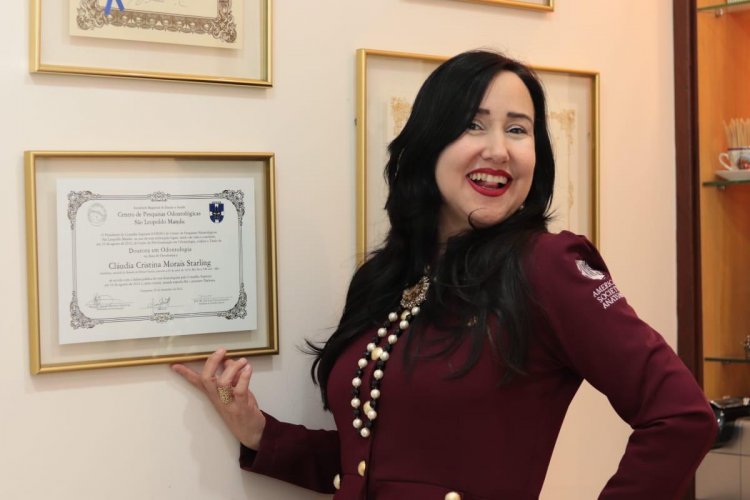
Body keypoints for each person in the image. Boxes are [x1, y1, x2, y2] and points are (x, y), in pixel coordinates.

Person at [173, 50, 717, 499]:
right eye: (472, 125)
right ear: (429, 142)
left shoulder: (547, 266)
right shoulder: (386, 276)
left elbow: (682, 417)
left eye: (518, 129)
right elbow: (372, 470)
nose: (498, 149)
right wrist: (260, 432)